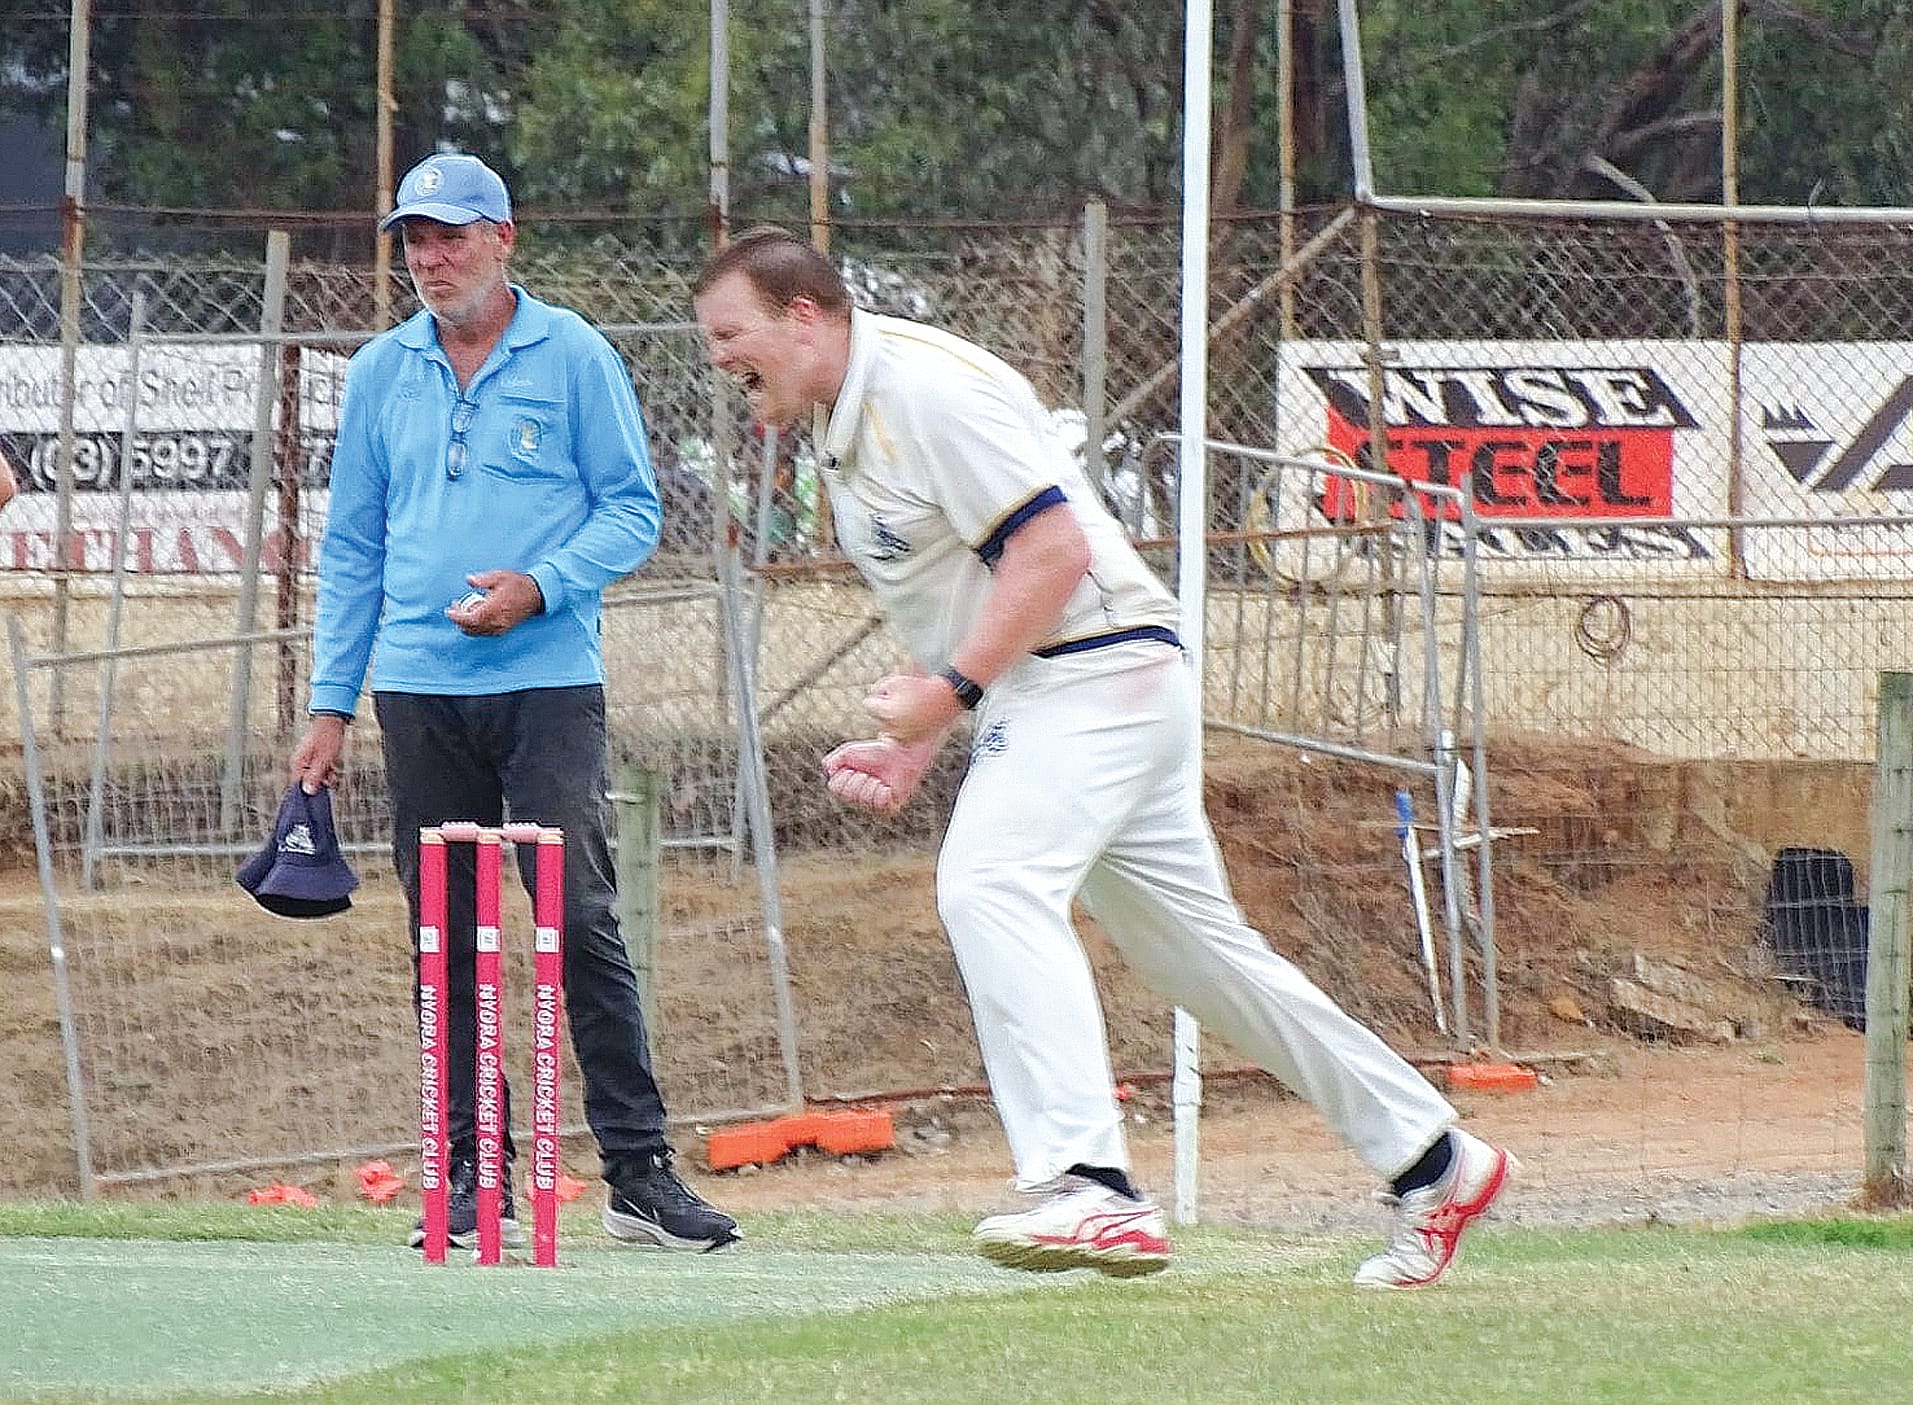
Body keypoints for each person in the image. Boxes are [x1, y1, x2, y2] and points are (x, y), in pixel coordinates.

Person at [692, 226, 1513, 1288]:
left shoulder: (923, 389)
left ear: (803, 317)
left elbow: (1052, 551)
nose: (718, 358)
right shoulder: (847, 420)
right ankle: (1432, 1159)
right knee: (1195, 959)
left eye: (729, 333)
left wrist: (948, 692)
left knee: (989, 882)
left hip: (1095, 670)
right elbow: (967, 590)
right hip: (1074, 683)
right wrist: (919, 738)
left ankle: (1089, 1185)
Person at [292, 152, 737, 1255]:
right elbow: (351, 547)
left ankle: (637, 1174)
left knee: (576, 918)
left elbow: (633, 512)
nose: (430, 259)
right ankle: (469, 1179)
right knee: (441, 935)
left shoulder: (574, 352)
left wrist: (539, 586)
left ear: (504, 237)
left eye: (450, 235)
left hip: (546, 683)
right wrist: (329, 701)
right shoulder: (380, 371)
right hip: (415, 685)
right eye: (414, 240)